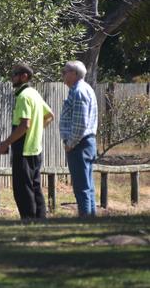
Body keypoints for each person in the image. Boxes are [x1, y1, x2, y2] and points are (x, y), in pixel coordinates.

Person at [0, 64, 54, 220]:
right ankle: (40, 221)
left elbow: (24, 125)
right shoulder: (34, 93)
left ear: (24, 76)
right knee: (35, 187)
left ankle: (29, 222)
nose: (11, 77)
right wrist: (37, 131)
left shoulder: (23, 96)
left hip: (24, 150)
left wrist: (5, 144)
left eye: (14, 74)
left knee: (23, 189)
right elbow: (50, 116)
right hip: (36, 149)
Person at [59, 60, 98, 217]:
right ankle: (91, 219)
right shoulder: (84, 88)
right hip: (85, 142)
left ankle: (85, 220)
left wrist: (70, 143)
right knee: (87, 185)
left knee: (81, 186)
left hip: (79, 144)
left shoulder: (79, 91)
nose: (62, 74)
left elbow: (80, 123)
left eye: (65, 71)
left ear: (74, 74)